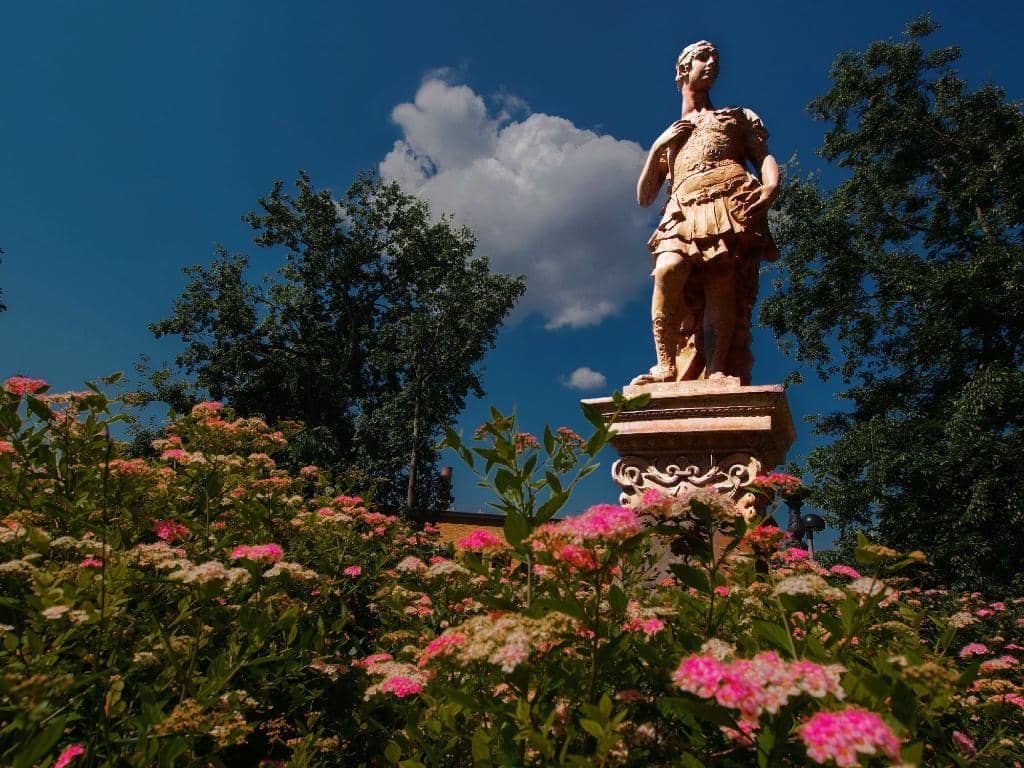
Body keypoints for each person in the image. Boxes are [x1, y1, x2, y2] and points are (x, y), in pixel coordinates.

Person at [632, 40, 779, 386]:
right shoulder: (672, 135)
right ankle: (665, 365)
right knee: (668, 269)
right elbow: (644, 196)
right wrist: (657, 147)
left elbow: (763, 156)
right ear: (683, 68)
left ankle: (716, 369)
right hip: (681, 207)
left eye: (715, 57)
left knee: (720, 279)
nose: (712, 62)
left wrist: (771, 186)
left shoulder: (736, 117)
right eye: (702, 57)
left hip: (726, 200)